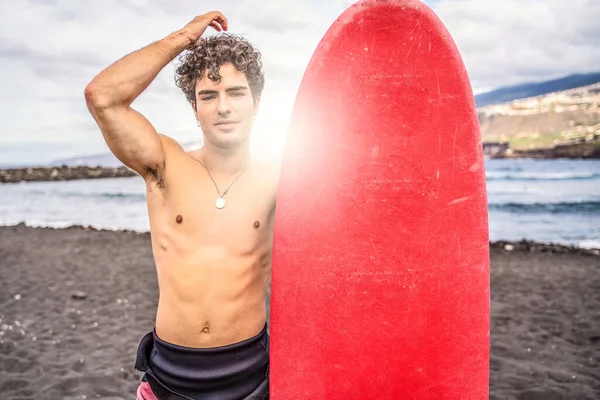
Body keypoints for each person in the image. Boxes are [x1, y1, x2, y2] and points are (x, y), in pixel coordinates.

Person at [84, 11, 278, 400]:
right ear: (195, 108)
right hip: (170, 376)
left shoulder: (281, 178)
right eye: (209, 95)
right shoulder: (165, 164)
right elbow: (102, 97)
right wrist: (182, 38)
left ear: (257, 103)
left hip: (249, 378)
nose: (223, 107)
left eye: (236, 93)